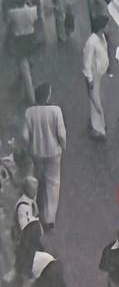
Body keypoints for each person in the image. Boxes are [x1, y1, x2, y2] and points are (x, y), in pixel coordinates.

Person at [22, 85, 66, 231]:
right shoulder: (56, 111)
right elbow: (61, 134)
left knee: (37, 181)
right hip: (53, 152)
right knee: (53, 184)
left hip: (36, 152)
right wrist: (62, 146)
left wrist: (29, 148)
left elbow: (25, 136)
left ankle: (32, 211)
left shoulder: (29, 112)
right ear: (48, 96)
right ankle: (49, 218)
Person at [82, 17, 110, 141]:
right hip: (93, 76)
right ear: (101, 28)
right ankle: (98, 129)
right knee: (95, 101)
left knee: (96, 99)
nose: (108, 28)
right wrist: (90, 79)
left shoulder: (101, 37)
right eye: (106, 26)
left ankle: (99, 123)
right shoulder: (91, 42)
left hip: (98, 74)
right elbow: (86, 62)